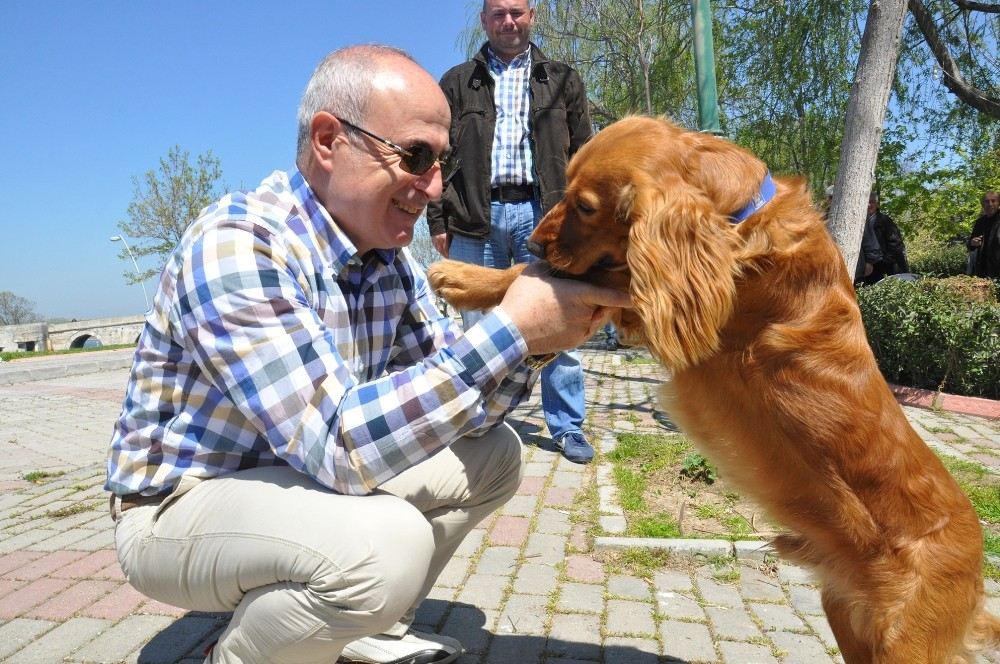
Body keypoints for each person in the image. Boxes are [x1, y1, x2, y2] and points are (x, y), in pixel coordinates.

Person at [104, 45, 628, 664]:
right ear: (329, 141)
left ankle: (364, 631)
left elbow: (465, 407)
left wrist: (539, 343)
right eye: (417, 156)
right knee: (384, 547)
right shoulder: (240, 245)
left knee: (494, 454)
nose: (435, 186)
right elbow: (339, 446)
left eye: (445, 161)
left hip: (299, 476)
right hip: (179, 507)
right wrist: (510, 329)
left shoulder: (388, 259)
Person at [426, 0, 597, 464]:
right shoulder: (458, 82)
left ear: (532, 16)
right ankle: (474, 423)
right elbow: (436, 157)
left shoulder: (562, 79)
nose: (508, 21)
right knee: (475, 329)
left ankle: (567, 426)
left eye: (517, 12)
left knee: (562, 318)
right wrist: (438, 220)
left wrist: (582, 228)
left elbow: (585, 157)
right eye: (498, 13)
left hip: (545, 218)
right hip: (474, 218)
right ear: (484, 21)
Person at [859, 191, 909, 285]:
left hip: (889, 267)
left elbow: (896, 244)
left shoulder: (885, 221)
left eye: (872, 202)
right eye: (866, 202)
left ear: (877, 204)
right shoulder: (860, 223)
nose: (869, 205)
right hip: (869, 268)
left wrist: (883, 261)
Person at [967, 190, 1000, 279]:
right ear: (982, 205)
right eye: (987, 201)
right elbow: (970, 244)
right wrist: (972, 243)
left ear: (998, 203)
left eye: (993, 201)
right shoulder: (980, 222)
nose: (990, 204)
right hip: (982, 272)